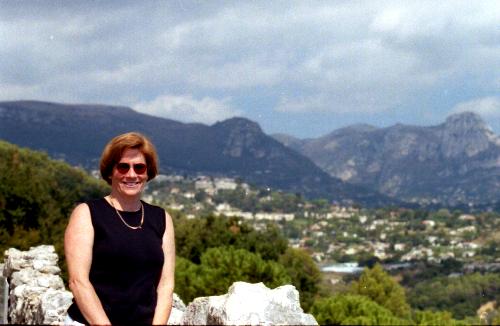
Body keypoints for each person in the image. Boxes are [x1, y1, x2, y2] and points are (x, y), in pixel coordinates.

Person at [64, 132, 175, 325]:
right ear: (110, 171)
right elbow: (78, 281)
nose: (132, 174)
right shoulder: (87, 213)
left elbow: (166, 285)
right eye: (123, 167)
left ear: (148, 173)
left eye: (139, 167)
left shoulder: (161, 218)